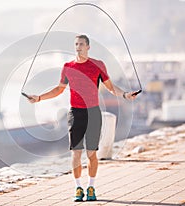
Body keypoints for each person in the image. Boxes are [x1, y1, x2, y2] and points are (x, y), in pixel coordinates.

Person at [27, 34, 138, 202]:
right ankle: (78, 188)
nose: (78, 47)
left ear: (88, 47)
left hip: (93, 113)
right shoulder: (68, 67)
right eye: (76, 44)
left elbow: (110, 88)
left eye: (81, 44)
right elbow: (58, 89)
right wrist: (39, 98)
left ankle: (91, 187)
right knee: (76, 153)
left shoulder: (97, 65)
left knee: (92, 153)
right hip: (75, 113)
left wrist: (125, 94)